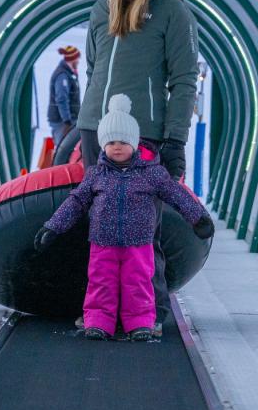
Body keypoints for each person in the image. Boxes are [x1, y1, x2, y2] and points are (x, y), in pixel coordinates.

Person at [75, 0, 200, 333]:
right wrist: (84, 122)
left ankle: (150, 315)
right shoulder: (100, 7)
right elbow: (94, 69)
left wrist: (175, 140)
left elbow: (184, 80)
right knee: (99, 226)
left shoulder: (172, 11)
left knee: (144, 230)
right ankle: (99, 313)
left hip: (145, 130)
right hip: (97, 130)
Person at [34, 95, 214, 340]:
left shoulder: (152, 174)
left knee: (137, 283)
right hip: (103, 241)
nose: (116, 147)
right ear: (103, 145)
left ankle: (140, 323)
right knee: (101, 282)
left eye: (122, 141)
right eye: (110, 142)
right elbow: (75, 202)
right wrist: (53, 227)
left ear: (134, 143)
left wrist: (198, 218)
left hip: (138, 242)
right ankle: (98, 322)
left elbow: (176, 195)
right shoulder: (96, 175)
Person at [47, 45, 81, 145]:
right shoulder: (63, 76)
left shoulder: (69, 73)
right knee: (62, 148)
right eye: (77, 58)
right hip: (62, 122)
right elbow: (61, 99)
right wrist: (67, 120)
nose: (78, 61)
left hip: (68, 120)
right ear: (73, 59)